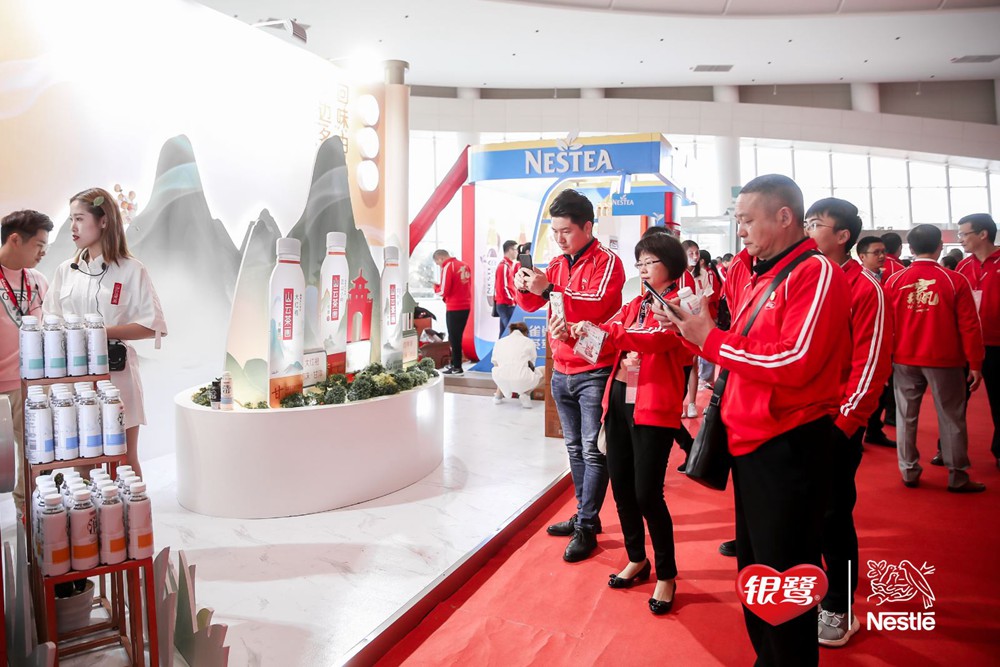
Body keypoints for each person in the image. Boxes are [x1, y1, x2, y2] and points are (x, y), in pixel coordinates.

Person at [654, 174, 852, 667]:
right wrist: (690, 332)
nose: (739, 230)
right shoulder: (762, 273)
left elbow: (794, 359)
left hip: (789, 446)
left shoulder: (815, 273)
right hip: (753, 443)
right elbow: (741, 353)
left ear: (784, 217)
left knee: (784, 576)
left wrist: (711, 339)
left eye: (746, 219)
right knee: (759, 571)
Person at [572, 232, 688, 614]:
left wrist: (606, 332)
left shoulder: (678, 305)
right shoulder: (636, 304)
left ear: (671, 265)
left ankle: (667, 574)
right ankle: (637, 558)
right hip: (620, 400)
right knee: (621, 488)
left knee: (647, 493)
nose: (643, 269)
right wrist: (577, 333)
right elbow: (605, 340)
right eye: (640, 262)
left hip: (654, 407)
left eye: (650, 262)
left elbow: (653, 339)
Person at [514, 188, 625, 562]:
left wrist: (548, 288)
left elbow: (596, 305)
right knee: (574, 448)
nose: (559, 238)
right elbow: (534, 303)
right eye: (555, 231)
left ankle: (587, 526)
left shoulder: (609, 262)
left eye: (566, 231)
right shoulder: (557, 264)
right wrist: (524, 285)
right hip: (560, 367)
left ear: (587, 227)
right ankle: (583, 515)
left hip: (594, 369)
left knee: (593, 450)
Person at [805, 198, 892, 647]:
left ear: (842, 237)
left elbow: (871, 364)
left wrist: (844, 425)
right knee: (802, 511)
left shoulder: (865, 288)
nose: (807, 229)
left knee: (834, 514)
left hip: (835, 423)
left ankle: (840, 605)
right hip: (797, 419)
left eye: (815, 224)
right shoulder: (805, 277)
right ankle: (808, 588)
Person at [45, 188, 166, 479]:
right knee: (82, 461)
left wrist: (99, 331)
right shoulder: (66, 271)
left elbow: (153, 325)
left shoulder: (131, 270)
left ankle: (132, 511)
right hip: (74, 378)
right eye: (71, 220)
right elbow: (50, 319)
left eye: (79, 218)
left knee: (123, 459)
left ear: (103, 221)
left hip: (118, 376)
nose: (73, 227)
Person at [884, 224, 985, 493]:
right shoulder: (954, 280)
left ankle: (908, 470)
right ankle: (957, 475)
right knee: (951, 416)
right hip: (945, 359)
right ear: (940, 246)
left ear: (911, 248)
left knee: (905, 416)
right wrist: (975, 363)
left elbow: (884, 325)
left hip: (903, 358)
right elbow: (970, 325)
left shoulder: (894, 281)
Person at [0, 210, 52, 515]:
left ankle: (27, 514)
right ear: (15, 239)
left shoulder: (37, 280)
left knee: (34, 452)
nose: (43, 252)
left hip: (31, 385)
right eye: (39, 245)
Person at [956, 213, 1000, 469]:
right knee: (956, 401)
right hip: (966, 344)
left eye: (964, 234)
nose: (960, 239)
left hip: (997, 344)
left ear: (983, 234)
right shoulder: (963, 267)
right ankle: (948, 449)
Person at [856, 236, 897, 446]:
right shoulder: (860, 281)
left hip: (885, 342)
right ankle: (857, 434)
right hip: (866, 345)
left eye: (883, 252)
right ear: (862, 256)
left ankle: (873, 430)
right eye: (876, 252)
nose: (881, 256)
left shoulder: (886, 277)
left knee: (881, 391)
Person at [433, 249, 472, 375]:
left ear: (440, 258)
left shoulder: (448, 266)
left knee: (454, 337)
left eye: (438, 263)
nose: (439, 265)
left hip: (454, 306)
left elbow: (443, 290)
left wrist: (435, 287)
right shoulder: (465, 265)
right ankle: (455, 364)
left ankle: (457, 366)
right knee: (457, 336)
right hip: (466, 305)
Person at [491, 322, 542, 408]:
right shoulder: (529, 342)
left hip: (500, 378)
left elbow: (495, 363)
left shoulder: (500, 342)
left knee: (502, 369)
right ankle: (526, 394)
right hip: (521, 378)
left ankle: (498, 396)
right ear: (526, 333)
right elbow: (532, 364)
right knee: (544, 371)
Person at [494, 240, 518, 337]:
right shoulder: (504, 266)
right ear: (510, 250)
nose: (517, 252)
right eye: (515, 249)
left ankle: (499, 346)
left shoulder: (509, 265)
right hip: (506, 304)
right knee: (511, 332)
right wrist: (512, 300)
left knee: (504, 332)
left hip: (507, 303)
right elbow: (503, 287)